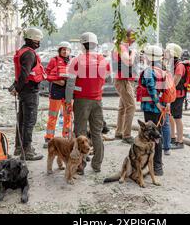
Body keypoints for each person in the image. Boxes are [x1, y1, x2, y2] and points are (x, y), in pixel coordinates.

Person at [65, 32, 110, 174]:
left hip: (81, 101)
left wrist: (67, 102)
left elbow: (70, 84)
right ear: (96, 44)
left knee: (81, 133)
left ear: (82, 44)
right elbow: (110, 80)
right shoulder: (103, 60)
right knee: (97, 133)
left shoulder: (76, 60)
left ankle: (80, 165)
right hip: (97, 100)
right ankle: (97, 165)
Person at [11, 28, 46, 161]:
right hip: (30, 92)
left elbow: (20, 74)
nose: (39, 42)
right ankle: (27, 151)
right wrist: (17, 88)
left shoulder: (22, 51)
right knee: (29, 121)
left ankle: (19, 148)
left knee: (22, 120)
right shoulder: (29, 54)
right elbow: (25, 74)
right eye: (37, 40)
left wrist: (16, 87)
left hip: (24, 92)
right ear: (31, 39)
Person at [137, 45, 171, 175]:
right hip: (161, 109)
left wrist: (157, 104)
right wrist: (164, 104)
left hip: (152, 109)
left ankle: (155, 167)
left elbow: (151, 89)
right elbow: (165, 89)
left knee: (152, 137)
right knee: (159, 135)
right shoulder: (162, 70)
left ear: (149, 57)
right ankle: (158, 165)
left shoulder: (149, 71)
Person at [43, 41, 73, 148]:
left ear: (70, 51)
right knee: (53, 115)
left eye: (67, 49)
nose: (65, 51)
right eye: (63, 49)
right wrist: (56, 81)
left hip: (68, 92)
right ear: (60, 50)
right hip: (56, 91)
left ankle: (66, 137)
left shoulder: (73, 61)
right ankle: (49, 138)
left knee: (68, 115)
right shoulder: (53, 60)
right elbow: (45, 74)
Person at [112, 29, 136, 144]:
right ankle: (127, 135)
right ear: (126, 37)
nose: (134, 38)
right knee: (131, 106)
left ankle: (119, 132)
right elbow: (129, 62)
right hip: (123, 81)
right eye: (132, 36)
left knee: (123, 107)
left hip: (122, 79)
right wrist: (134, 53)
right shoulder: (122, 47)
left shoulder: (120, 47)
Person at [165, 43, 186, 150]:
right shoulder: (173, 64)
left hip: (178, 95)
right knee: (170, 116)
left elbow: (174, 83)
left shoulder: (180, 66)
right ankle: (172, 138)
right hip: (174, 95)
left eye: (167, 52)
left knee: (177, 118)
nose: (165, 53)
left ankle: (180, 141)